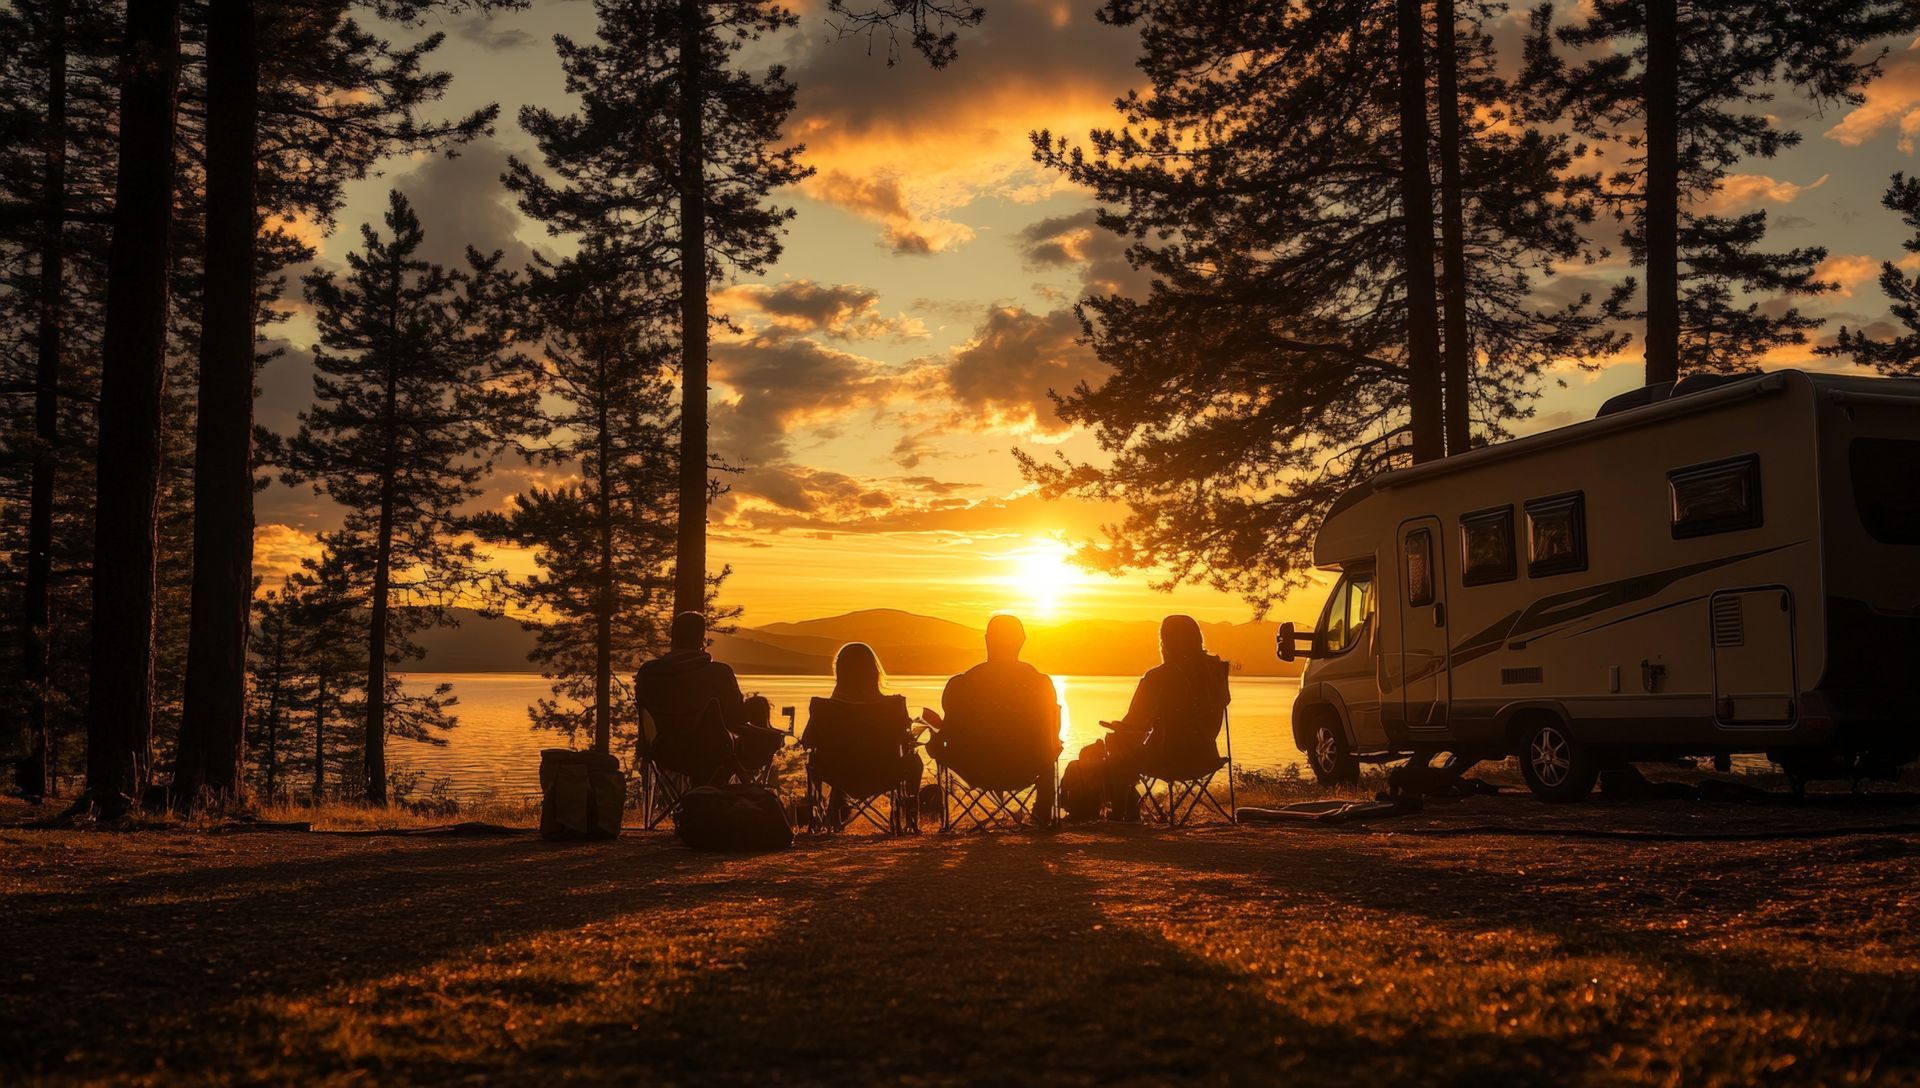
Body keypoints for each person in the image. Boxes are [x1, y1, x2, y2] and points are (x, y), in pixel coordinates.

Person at [924, 614, 1062, 822]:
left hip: (975, 768)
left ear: (987, 639)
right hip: (1026, 767)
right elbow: (1052, 734)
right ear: (1021, 641)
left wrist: (934, 734)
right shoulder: (1040, 684)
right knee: (1050, 753)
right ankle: (1042, 816)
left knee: (935, 748)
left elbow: (948, 734)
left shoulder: (962, 684)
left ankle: (943, 818)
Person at [1100, 615, 1231, 819]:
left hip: (1169, 759)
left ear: (1166, 642)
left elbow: (1136, 719)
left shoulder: (1159, 676)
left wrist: (1121, 726)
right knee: (1127, 744)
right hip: (1206, 758)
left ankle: (1124, 811)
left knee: (1116, 741)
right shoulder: (1216, 671)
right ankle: (1128, 806)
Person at [635, 612, 781, 783]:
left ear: (673, 638)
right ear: (702, 640)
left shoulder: (648, 673)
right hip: (711, 753)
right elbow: (736, 720)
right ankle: (724, 797)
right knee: (754, 745)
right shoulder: (718, 673)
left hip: (664, 753)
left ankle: (702, 799)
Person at [801, 642, 924, 825]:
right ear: (873, 671)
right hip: (884, 772)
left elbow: (807, 741)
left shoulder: (824, 709)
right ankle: (910, 817)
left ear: (840, 673)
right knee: (914, 761)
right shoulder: (892, 707)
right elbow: (906, 740)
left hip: (838, 773)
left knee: (818, 760)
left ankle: (821, 817)